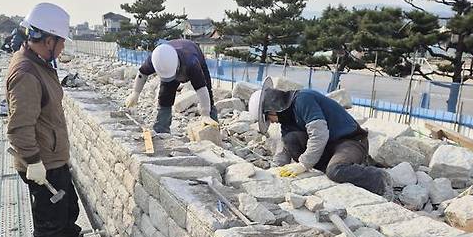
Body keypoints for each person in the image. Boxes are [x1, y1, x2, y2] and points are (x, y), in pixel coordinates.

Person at [6, 2, 96, 237]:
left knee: (66, 206)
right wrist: (33, 162)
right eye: (61, 43)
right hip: (40, 161)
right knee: (50, 216)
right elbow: (19, 126)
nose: (63, 49)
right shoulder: (26, 73)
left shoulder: (39, 63)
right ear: (48, 40)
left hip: (52, 154)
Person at [249, 77, 393, 197]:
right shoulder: (286, 118)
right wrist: (277, 169)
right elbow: (286, 147)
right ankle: (332, 167)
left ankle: (379, 178)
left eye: (269, 118)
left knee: (336, 170)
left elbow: (319, 134)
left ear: (273, 108)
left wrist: (303, 164)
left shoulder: (303, 100)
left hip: (350, 141)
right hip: (329, 146)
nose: (272, 122)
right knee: (291, 139)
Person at [124, 39, 217, 133]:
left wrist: (205, 114)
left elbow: (201, 88)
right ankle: (161, 129)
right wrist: (135, 93)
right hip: (174, 61)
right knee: (165, 95)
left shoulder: (192, 63)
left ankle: (212, 125)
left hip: (192, 54)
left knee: (208, 93)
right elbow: (142, 73)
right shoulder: (157, 58)